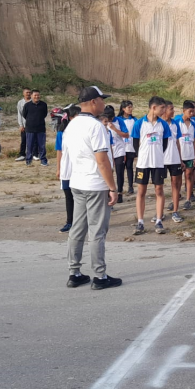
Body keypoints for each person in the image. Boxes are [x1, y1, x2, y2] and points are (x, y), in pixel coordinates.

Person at [62, 86, 122, 290]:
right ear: (94, 102)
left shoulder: (72, 125)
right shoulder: (96, 127)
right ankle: (100, 276)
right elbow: (102, 161)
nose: (104, 104)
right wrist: (112, 187)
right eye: (102, 100)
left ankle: (74, 272)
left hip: (77, 183)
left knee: (77, 229)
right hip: (95, 184)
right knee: (97, 231)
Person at [131, 96, 171, 236]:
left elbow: (165, 143)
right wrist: (142, 155)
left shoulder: (163, 125)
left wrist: (157, 154)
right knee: (141, 191)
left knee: (159, 190)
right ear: (153, 107)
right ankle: (140, 222)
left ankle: (159, 220)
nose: (164, 110)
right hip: (143, 163)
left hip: (158, 163)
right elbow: (135, 143)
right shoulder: (139, 123)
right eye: (162, 108)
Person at [56, 104, 80, 232]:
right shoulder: (62, 133)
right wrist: (58, 168)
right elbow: (59, 151)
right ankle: (69, 222)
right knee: (68, 195)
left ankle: (80, 222)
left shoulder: (82, 131)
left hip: (79, 168)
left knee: (80, 196)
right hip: (66, 168)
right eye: (77, 116)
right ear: (70, 117)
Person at [163, 101, 185, 223]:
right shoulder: (159, 124)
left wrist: (180, 159)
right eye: (171, 109)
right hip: (161, 160)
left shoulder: (175, 124)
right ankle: (159, 213)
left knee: (175, 185)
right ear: (164, 110)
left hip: (175, 159)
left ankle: (175, 211)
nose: (173, 111)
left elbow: (177, 142)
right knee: (158, 187)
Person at [176, 101, 195, 211]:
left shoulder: (193, 125)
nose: (191, 114)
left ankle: (188, 199)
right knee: (177, 178)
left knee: (189, 175)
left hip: (190, 154)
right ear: (183, 111)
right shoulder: (177, 123)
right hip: (179, 155)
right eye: (189, 111)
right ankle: (176, 196)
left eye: (193, 112)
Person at [115, 101, 137, 196]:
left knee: (129, 166)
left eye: (131, 107)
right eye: (129, 107)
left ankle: (131, 186)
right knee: (120, 169)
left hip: (131, 146)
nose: (130, 109)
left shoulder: (134, 120)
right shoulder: (118, 119)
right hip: (121, 147)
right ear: (123, 109)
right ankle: (120, 188)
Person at [23, 89, 49, 166]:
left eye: (38, 95)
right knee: (29, 145)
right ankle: (28, 161)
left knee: (42, 145)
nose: (37, 97)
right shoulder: (27, 105)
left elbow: (44, 114)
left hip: (41, 128)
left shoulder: (44, 104)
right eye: (35, 95)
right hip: (30, 129)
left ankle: (43, 160)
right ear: (31, 96)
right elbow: (25, 115)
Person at [15, 88, 32, 162]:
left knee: (33, 140)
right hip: (24, 125)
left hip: (33, 124)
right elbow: (19, 114)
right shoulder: (20, 103)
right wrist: (21, 125)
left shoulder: (34, 101)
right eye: (26, 92)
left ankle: (33, 154)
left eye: (29, 92)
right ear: (23, 93)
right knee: (24, 140)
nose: (28, 94)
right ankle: (22, 155)